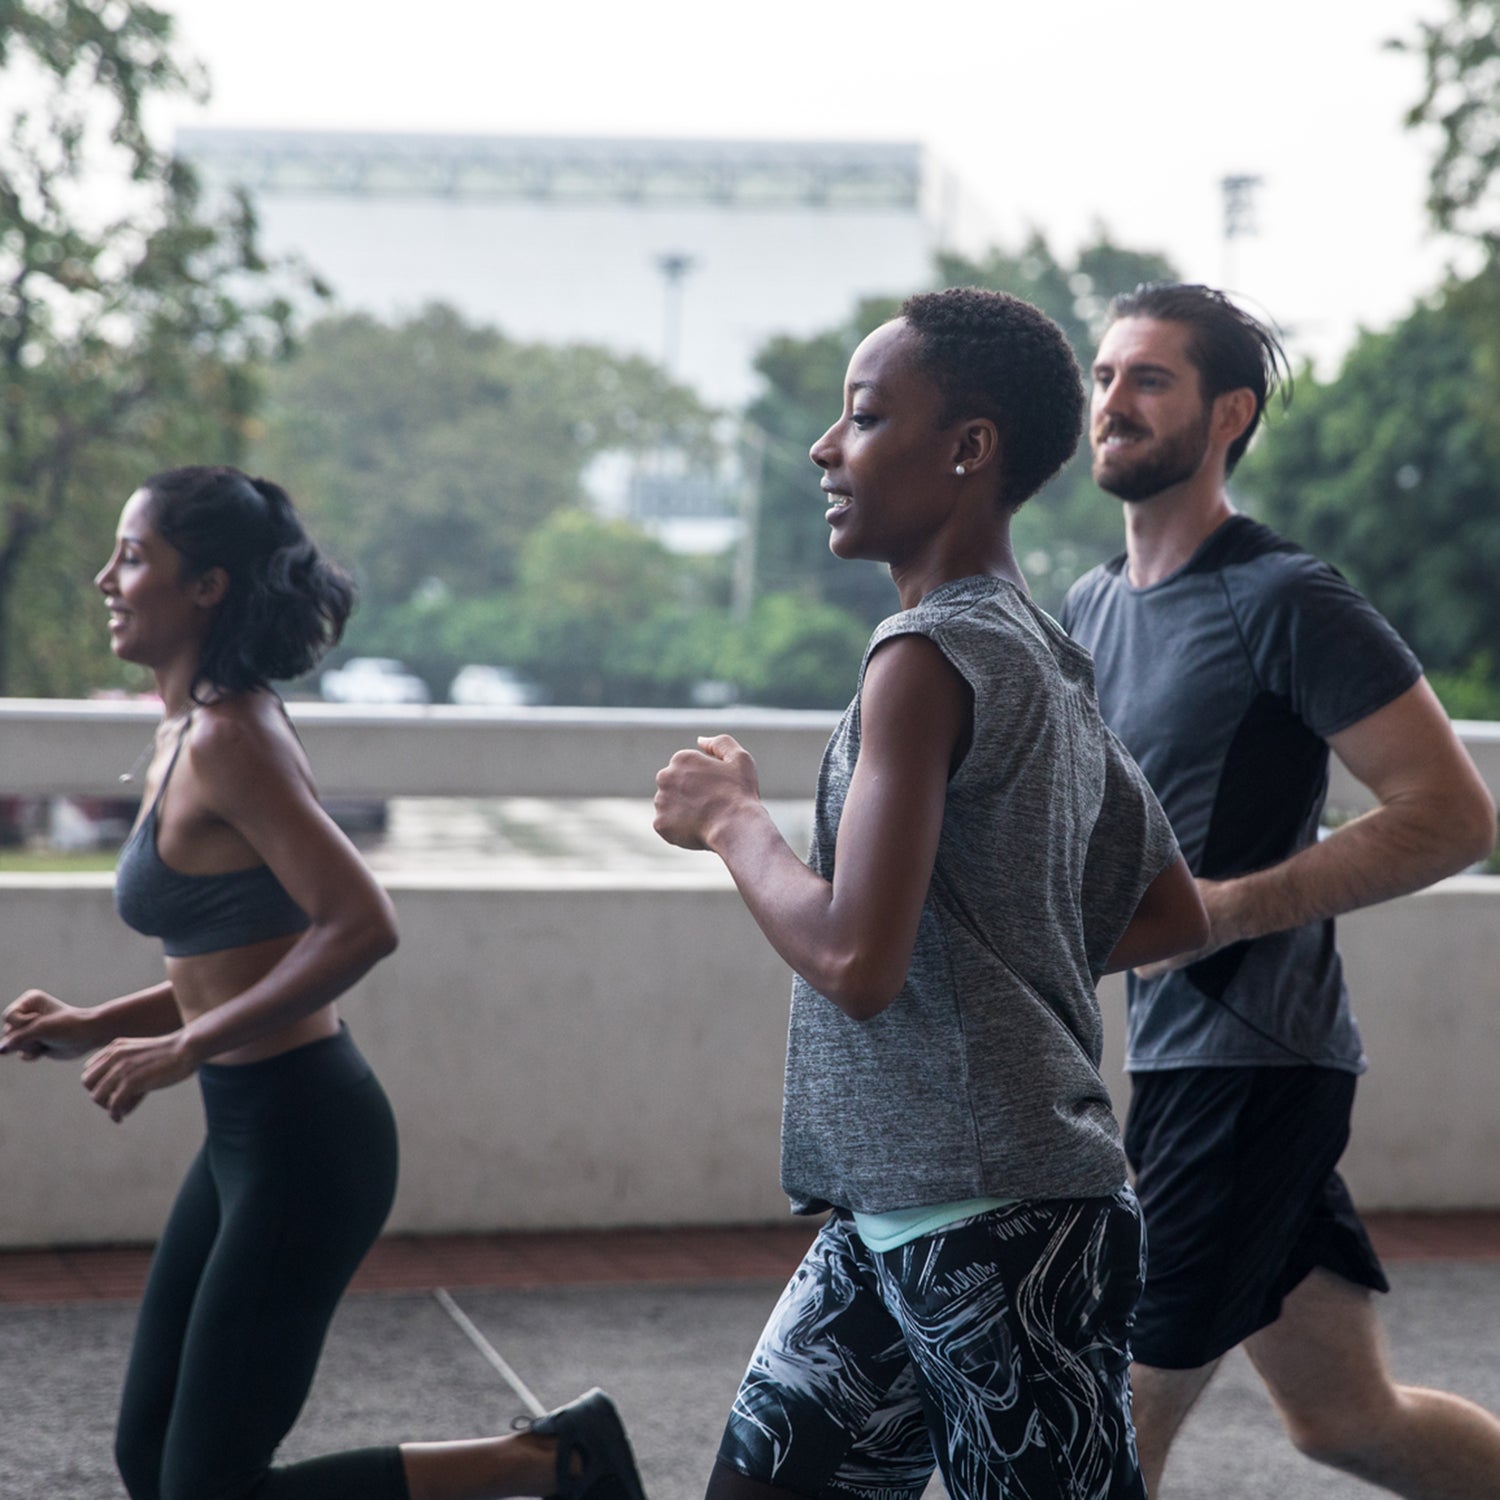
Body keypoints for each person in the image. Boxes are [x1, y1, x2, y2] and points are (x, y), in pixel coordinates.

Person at [653, 287, 1210, 1500]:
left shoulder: (924, 660)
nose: (825, 449)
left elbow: (860, 961)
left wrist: (732, 821)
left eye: (861, 418)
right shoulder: (1045, 651)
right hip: (897, 1209)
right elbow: (1171, 911)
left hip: (1003, 1224)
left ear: (969, 447)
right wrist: (1003, 951)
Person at [1, 466, 647, 1500]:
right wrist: (97, 1023)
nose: (104, 578)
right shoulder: (189, 729)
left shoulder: (232, 739)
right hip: (246, 1132)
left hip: (308, 1137)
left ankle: (548, 1460)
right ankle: (557, 1459)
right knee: (149, 1461)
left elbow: (360, 924)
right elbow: (242, 964)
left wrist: (185, 1049)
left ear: (206, 585)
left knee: (206, 1490)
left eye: (132, 557)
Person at [1061, 282, 1500, 1498]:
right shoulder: (1091, 608)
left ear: (1226, 414)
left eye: (1150, 380)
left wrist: (1227, 908)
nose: (1114, 404)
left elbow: (1452, 814)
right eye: (1105, 378)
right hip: (1180, 1063)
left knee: (1110, 1424)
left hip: (1252, 1064)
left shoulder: (1283, 597)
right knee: (1347, 1419)